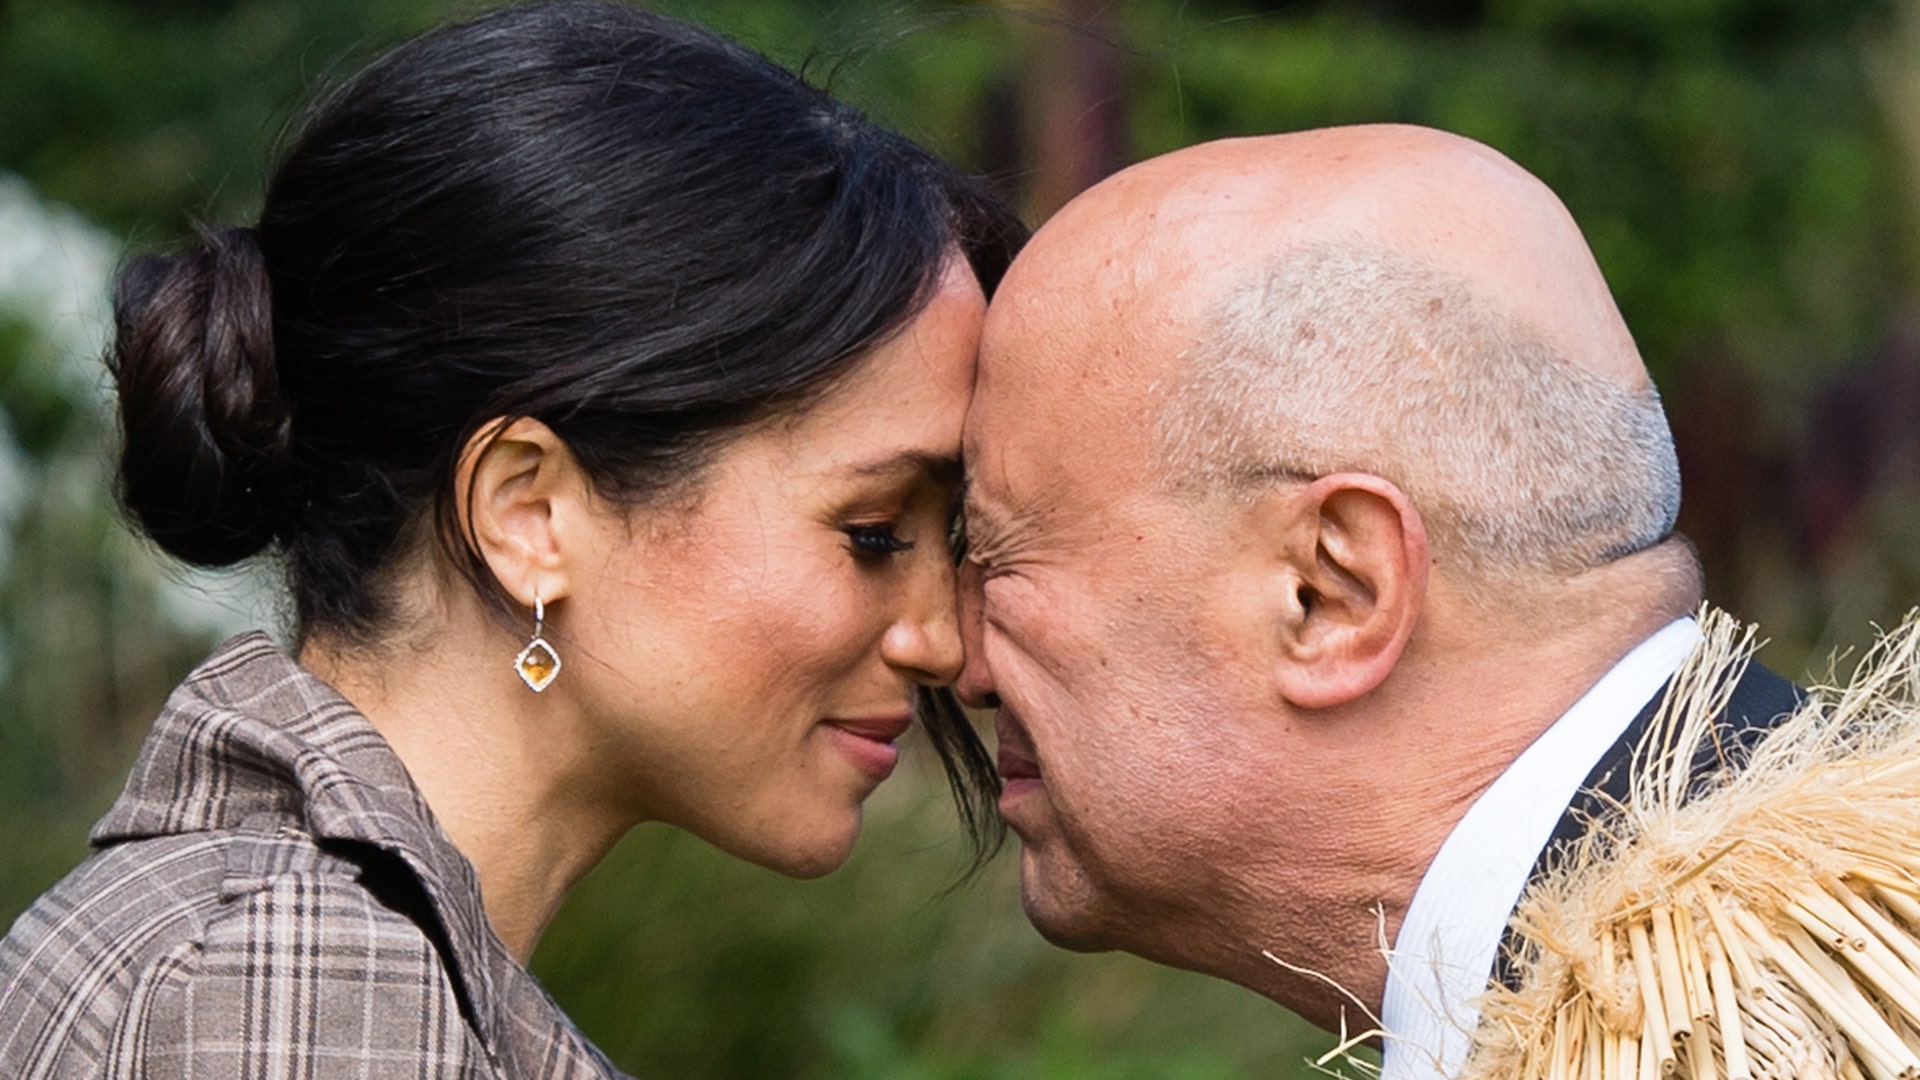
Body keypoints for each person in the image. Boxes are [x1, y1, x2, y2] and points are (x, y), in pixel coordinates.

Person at [0, 2, 1023, 1075]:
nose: (944, 641)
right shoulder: (296, 989)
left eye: (948, 532)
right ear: (527, 513)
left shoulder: (296, 956)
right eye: (873, 532)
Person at [954, 123, 1806, 1079]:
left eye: (994, 552)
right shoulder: (1803, 977)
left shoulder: (1794, 1038)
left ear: (1330, 593)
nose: (959, 660)